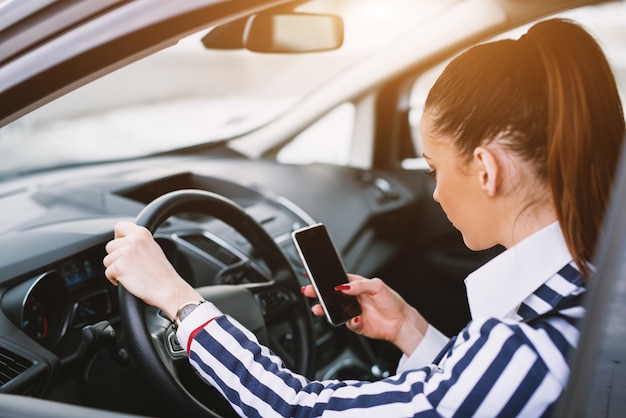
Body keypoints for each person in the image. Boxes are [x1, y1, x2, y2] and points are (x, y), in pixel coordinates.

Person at [103, 18, 625, 417]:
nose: (437, 193)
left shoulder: (528, 347)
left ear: (486, 170)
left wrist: (179, 301)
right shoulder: (593, 292)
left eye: (435, 168)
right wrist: (411, 331)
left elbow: (296, 409)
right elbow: (469, 398)